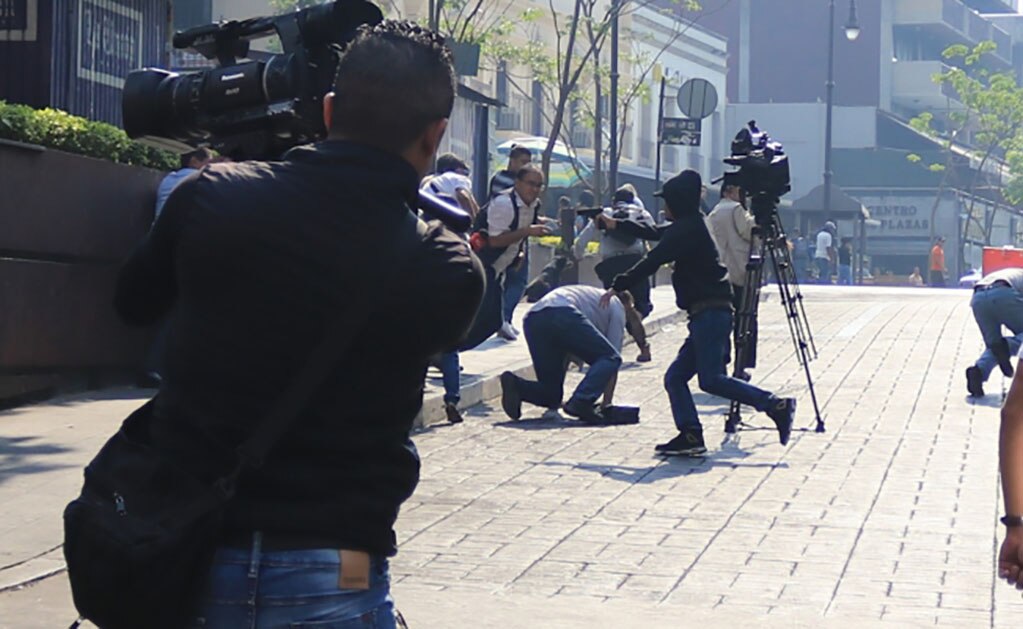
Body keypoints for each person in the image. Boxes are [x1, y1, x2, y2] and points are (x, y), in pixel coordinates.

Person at [113, 21, 484, 628]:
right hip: (341, 569)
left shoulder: (207, 199)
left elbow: (132, 306)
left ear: (331, 110)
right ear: (435, 135)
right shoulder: (445, 265)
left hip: (184, 561)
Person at [597, 170, 796, 456]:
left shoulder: (687, 229)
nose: (664, 209)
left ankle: (774, 404)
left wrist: (617, 285)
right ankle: (691, 435)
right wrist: (617, 224)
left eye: (667, 203)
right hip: (706, 314)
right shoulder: (691, 224)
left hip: (711, 314)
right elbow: (655, 233)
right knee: (675, 378)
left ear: (676, 202)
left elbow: (653, 259)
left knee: (711, 379)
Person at [499, 285, 645, 423]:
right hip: (562, 313)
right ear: (627, 304)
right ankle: (581, 401)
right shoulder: (616, 305)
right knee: (610, 358)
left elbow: (567, 353)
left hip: (533, 318)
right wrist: (606, 405)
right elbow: (612, 358)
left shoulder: (589, 298)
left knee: (552, 394)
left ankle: (517, 386)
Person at [486, 163, 552, 340]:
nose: (534, 189)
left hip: (500, 267)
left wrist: (519, 252)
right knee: (478, 319)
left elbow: (519, 230)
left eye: (539, 185)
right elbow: (494, 241)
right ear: (517, 183)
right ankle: (446, 357)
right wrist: (528, 231)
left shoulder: (533, 205)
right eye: (530, 183)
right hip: (484, 263)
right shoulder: (504, 203)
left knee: (488, 320)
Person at [574, 186, 656, 320]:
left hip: (610, 265)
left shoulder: (605, 213)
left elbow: (582, 241)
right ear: (633, 200)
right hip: (636, 264)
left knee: (612, 303)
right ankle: (636, 317)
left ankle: (619, 322)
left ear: (614, 201)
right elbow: (655, 239)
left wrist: (579, 255)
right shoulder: (642, 213)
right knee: (643, 305)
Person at [706, 182, 755, 373]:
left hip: (722, 272)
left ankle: (722, 363)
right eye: (739, 190)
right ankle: (741, 365)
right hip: (739, 270)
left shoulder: (715, 211)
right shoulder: (735, 209)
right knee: (745, 320)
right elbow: (751, 232)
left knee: (725, 320)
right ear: (729, 192)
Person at [965, 267, 1023, 397]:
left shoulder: (1015, 272)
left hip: (978, 298)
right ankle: (1007, 346)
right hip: (1003, 293)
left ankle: (978, 372)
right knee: (1010, 344)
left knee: (994, 346)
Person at [155, 147, 213, 218]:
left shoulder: (168, 179)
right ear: (194, 161)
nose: (210, 167)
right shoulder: (200, 180)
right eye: (208, 163)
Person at [422, 152, 479, 218]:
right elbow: (464, 196)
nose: (467, 176)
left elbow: (471, 200)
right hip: (439, 213)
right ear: (459, 170)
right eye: (466, 173)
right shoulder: (458, 177)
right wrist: (473, 221)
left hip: (424, 212)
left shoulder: (431, 180)